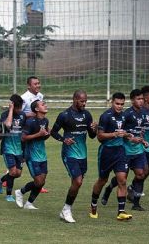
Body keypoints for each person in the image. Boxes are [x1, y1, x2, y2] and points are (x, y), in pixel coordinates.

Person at [51, 90, 97, 223]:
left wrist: (95, 128)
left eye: (85, 101)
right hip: (69, 153)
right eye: (82, 101)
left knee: (76, 183)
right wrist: (63, 139)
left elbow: (92, 136)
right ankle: (67, 209)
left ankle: (65, 210)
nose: (84, 104)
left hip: (82, 154)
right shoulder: (64, 115)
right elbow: (53, 132)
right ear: (75, 99)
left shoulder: (87, 115)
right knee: (78, 181)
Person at [101, 89, 149, 211]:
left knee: (141, 174)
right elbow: (122, 131)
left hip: (138, 151)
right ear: (132, 100)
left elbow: (139, 130)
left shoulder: (143, 113)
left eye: (142, 98)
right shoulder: (126, 114)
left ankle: (136, 203)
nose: (141, 101)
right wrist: (130, 138)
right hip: (126, 150)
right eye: (138, 99)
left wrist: (142, 140)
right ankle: (108, 189)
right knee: (122, 179)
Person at [89, 92, 132, 221]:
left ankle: (121, 212)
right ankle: (93, 205)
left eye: (122, 104)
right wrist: (114, 134)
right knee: (102, 180)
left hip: (120, 151)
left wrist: (127, 135)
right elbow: (100, 137)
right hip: (106, 152)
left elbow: (126, 133)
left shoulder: (125, 116)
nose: (119, 106)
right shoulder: (106, 116)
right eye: (117, 104)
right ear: (112, 102)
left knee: (122, 180)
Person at [127, 86, 149, 202]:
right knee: (125, 174)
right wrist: (132, 138)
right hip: (133, 147)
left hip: (146, 143)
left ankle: (134, 192)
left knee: (146, 170)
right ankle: (113, 189)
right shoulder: (132, 113)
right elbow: (127, 130)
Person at [14, 100, 49, 210]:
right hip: (32, 156)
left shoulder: (46, 121)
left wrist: (48, 134)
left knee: (41, 182)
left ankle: (29, 203)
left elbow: (43, 137)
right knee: (38, 181)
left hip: (42, 155)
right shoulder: (30, 122)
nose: (46, 105)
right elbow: (23, 138)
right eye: (43, 104)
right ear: (37, 109)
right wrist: (39, 134)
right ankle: (20, 192)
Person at [20, 76, 48, 193]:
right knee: (22, 159)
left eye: (38, 83)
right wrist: (29, 115)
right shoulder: (24, 98)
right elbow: (19, 114)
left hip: (36, 128)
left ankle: (38, 183)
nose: (38, 86)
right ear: (29, 86)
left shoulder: (40, 96)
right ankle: (7, 177)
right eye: (35, 84)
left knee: (27, 158)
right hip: (26, 130)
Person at [0, 94, 26, 202]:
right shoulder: (5, 114)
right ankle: (9, 195)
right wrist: (10, 110)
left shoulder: (23, 115)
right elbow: (8, 125)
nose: (20, 110)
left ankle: (0, 179)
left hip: (19, 148)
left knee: (18, 173)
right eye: (18, 107)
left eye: (21, 107)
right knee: (13, 171)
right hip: (7, 147)